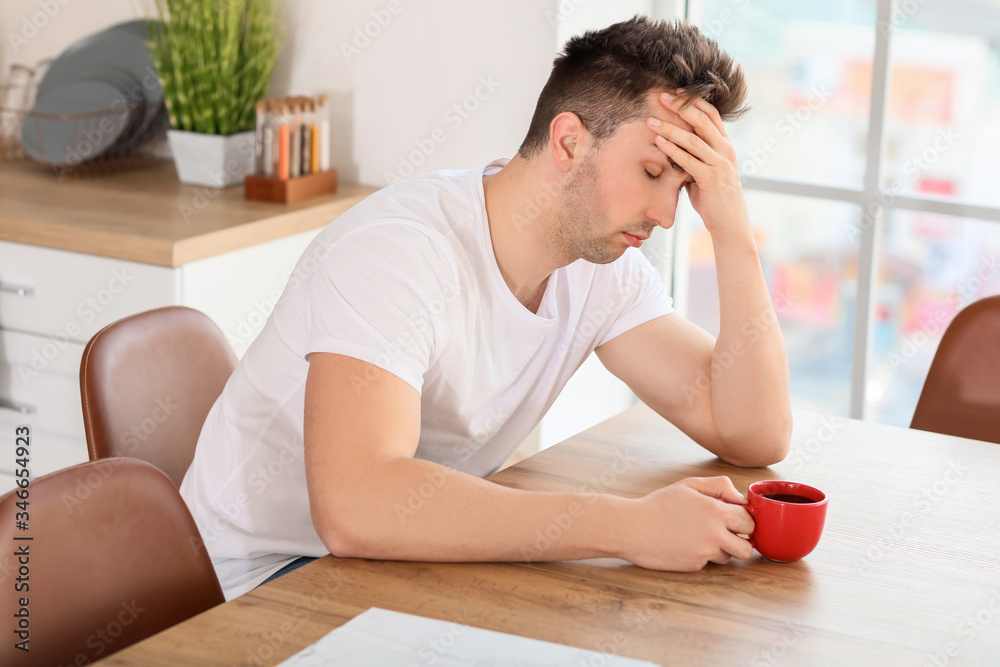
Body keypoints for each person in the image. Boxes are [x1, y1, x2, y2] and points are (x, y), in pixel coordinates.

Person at [180, 15, 792, 600]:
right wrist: (630, 527)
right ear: (569, 142)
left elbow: (752, 430)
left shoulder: (602, 270)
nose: (665, 216)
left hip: (387, 567)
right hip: (260, 584)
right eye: (652, 171)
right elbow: (355, 504)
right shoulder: (398, 253)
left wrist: (732, 230)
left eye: (684, 188)